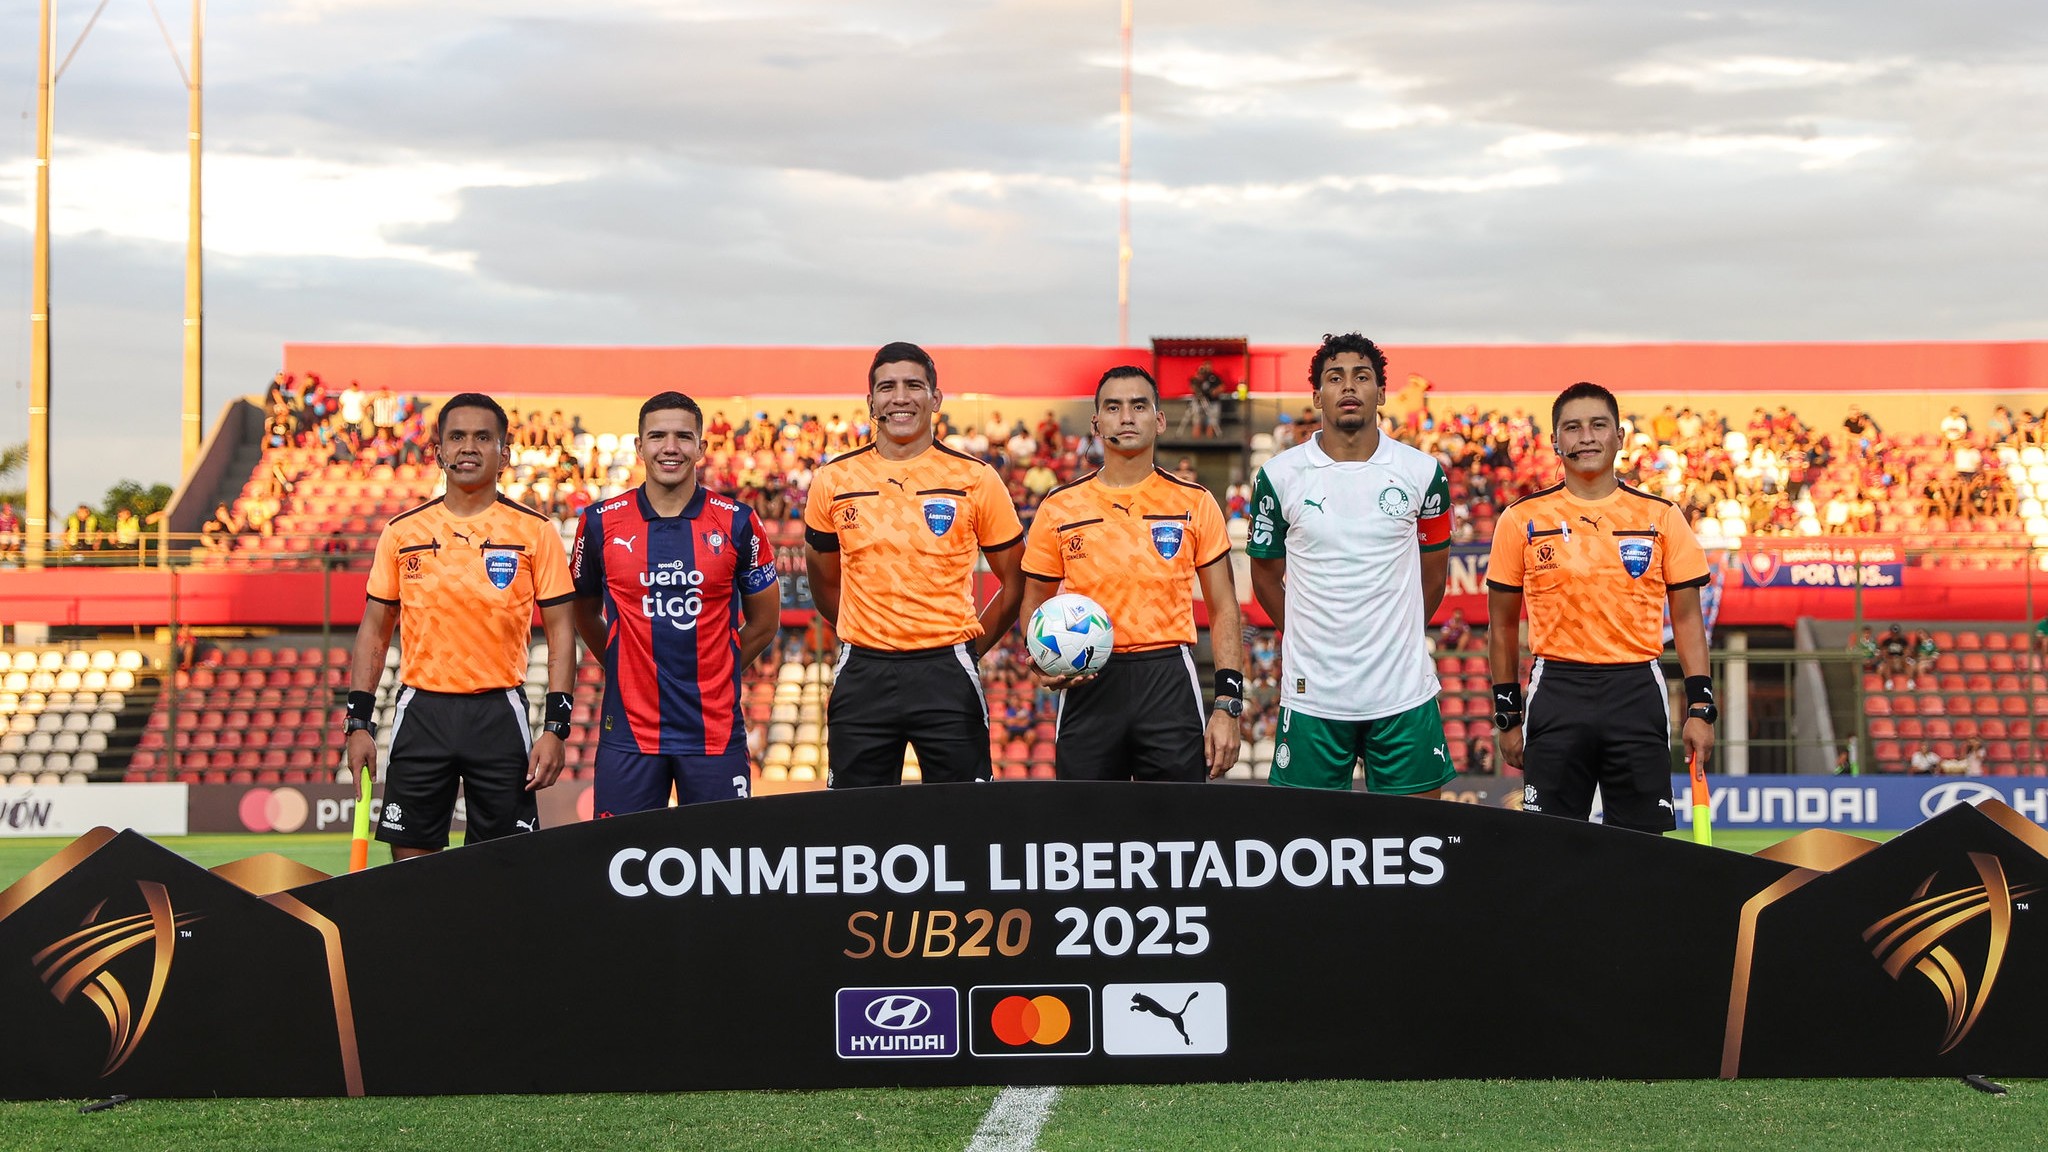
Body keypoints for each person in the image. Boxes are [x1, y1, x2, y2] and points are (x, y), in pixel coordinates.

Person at [344, 392, 579, 859]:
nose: (468, 447)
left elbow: (562, 633)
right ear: (439, 453)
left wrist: (556, 727)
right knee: (410, 863)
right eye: (456, 437)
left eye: (482, 437)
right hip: (421, 712)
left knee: (502, 867)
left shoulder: (535, 532)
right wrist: (357, 723)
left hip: (499, 713)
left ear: (504, 454)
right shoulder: (401, 532)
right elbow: (375, 630)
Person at [1487, 381, 1715, 833]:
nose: (1586, 437)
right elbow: (1501, 626)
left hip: (1635, 688)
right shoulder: (1520, 519)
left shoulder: (1662, 516)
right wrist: (1508, 716)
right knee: (1550, 846)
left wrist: (1700, 708)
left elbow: (1688, 619)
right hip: (1557, 690)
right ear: (1555, 441)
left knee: (1642, 849)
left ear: (1620, 437)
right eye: (1572, 427)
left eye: (1598, 425)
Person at [803, 342, 1026, 787]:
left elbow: (1015, 580)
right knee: (854, 826)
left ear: (935, 399)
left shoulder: (976, 478)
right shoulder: (833, 480)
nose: (900, 397)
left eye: (913, 385)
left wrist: (968, 651)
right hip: (862, 671)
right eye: (887, 387)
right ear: (871, 403)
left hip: (947, 670)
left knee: (964, 820)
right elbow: (824, 583)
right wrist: (866, 632)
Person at [1248, 333, 1456, 797]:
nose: (1348, 387)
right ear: (1316, 394)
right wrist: (1301, 631)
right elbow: (1263, 577)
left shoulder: (1423, 472)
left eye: (1362, 377)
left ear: (1381, 393)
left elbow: (1435, 575)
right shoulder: (1279, 476)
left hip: (1403, 691)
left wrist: (1395, 637)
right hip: (1313, 693)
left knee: (1418, 846)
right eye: (1334, 377)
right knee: (1306, 850)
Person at [1019, 366, 1245, 781]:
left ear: (1158, 420)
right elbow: (1033, 602)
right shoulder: (1059, 506)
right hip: (1087, 679)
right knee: (1085, 832)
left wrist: (1228, 703)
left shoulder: (1194, 502)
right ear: (1097, 422)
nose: (1126, 417)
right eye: (1114, 407)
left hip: (1168, 677)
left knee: (1178, 833)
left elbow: (1225, 608)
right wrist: (1041, 660)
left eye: (1139, 406)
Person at [572, 392, 782, 816]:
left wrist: (718, 668)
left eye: (684, 437)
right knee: (620, 865)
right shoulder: (598, 521)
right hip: (629, 734)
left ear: (701, 448)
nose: (671, 447)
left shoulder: (738, 521)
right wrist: (620, 662)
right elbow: (583, 612)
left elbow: (765, 623)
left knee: (722, 867)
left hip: (714, 733)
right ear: (638, 446)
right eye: (658, 436)